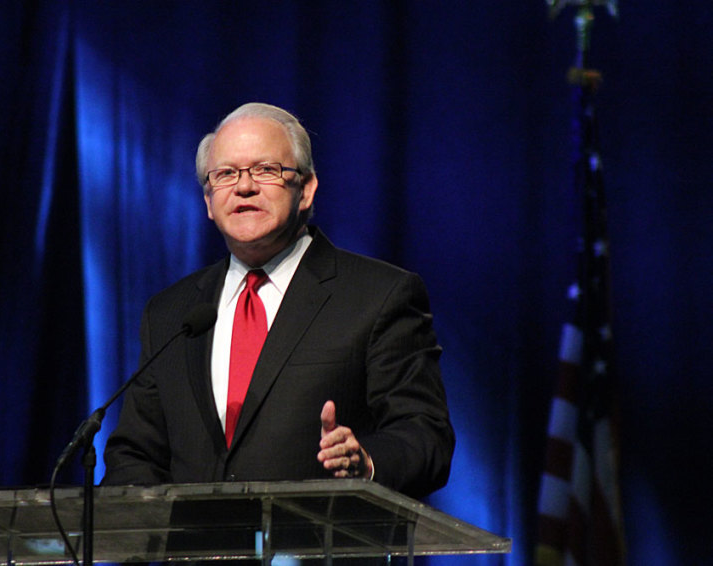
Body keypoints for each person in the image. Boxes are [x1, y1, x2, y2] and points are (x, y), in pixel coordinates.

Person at [103, 102, 454, 500]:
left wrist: (366, 462)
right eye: (226, 174)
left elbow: (426, 436)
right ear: (208, 202)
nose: (244, 186)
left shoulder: (378, 296)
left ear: (305, 189)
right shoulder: (171, 313)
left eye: (266, 170)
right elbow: (136, 452)